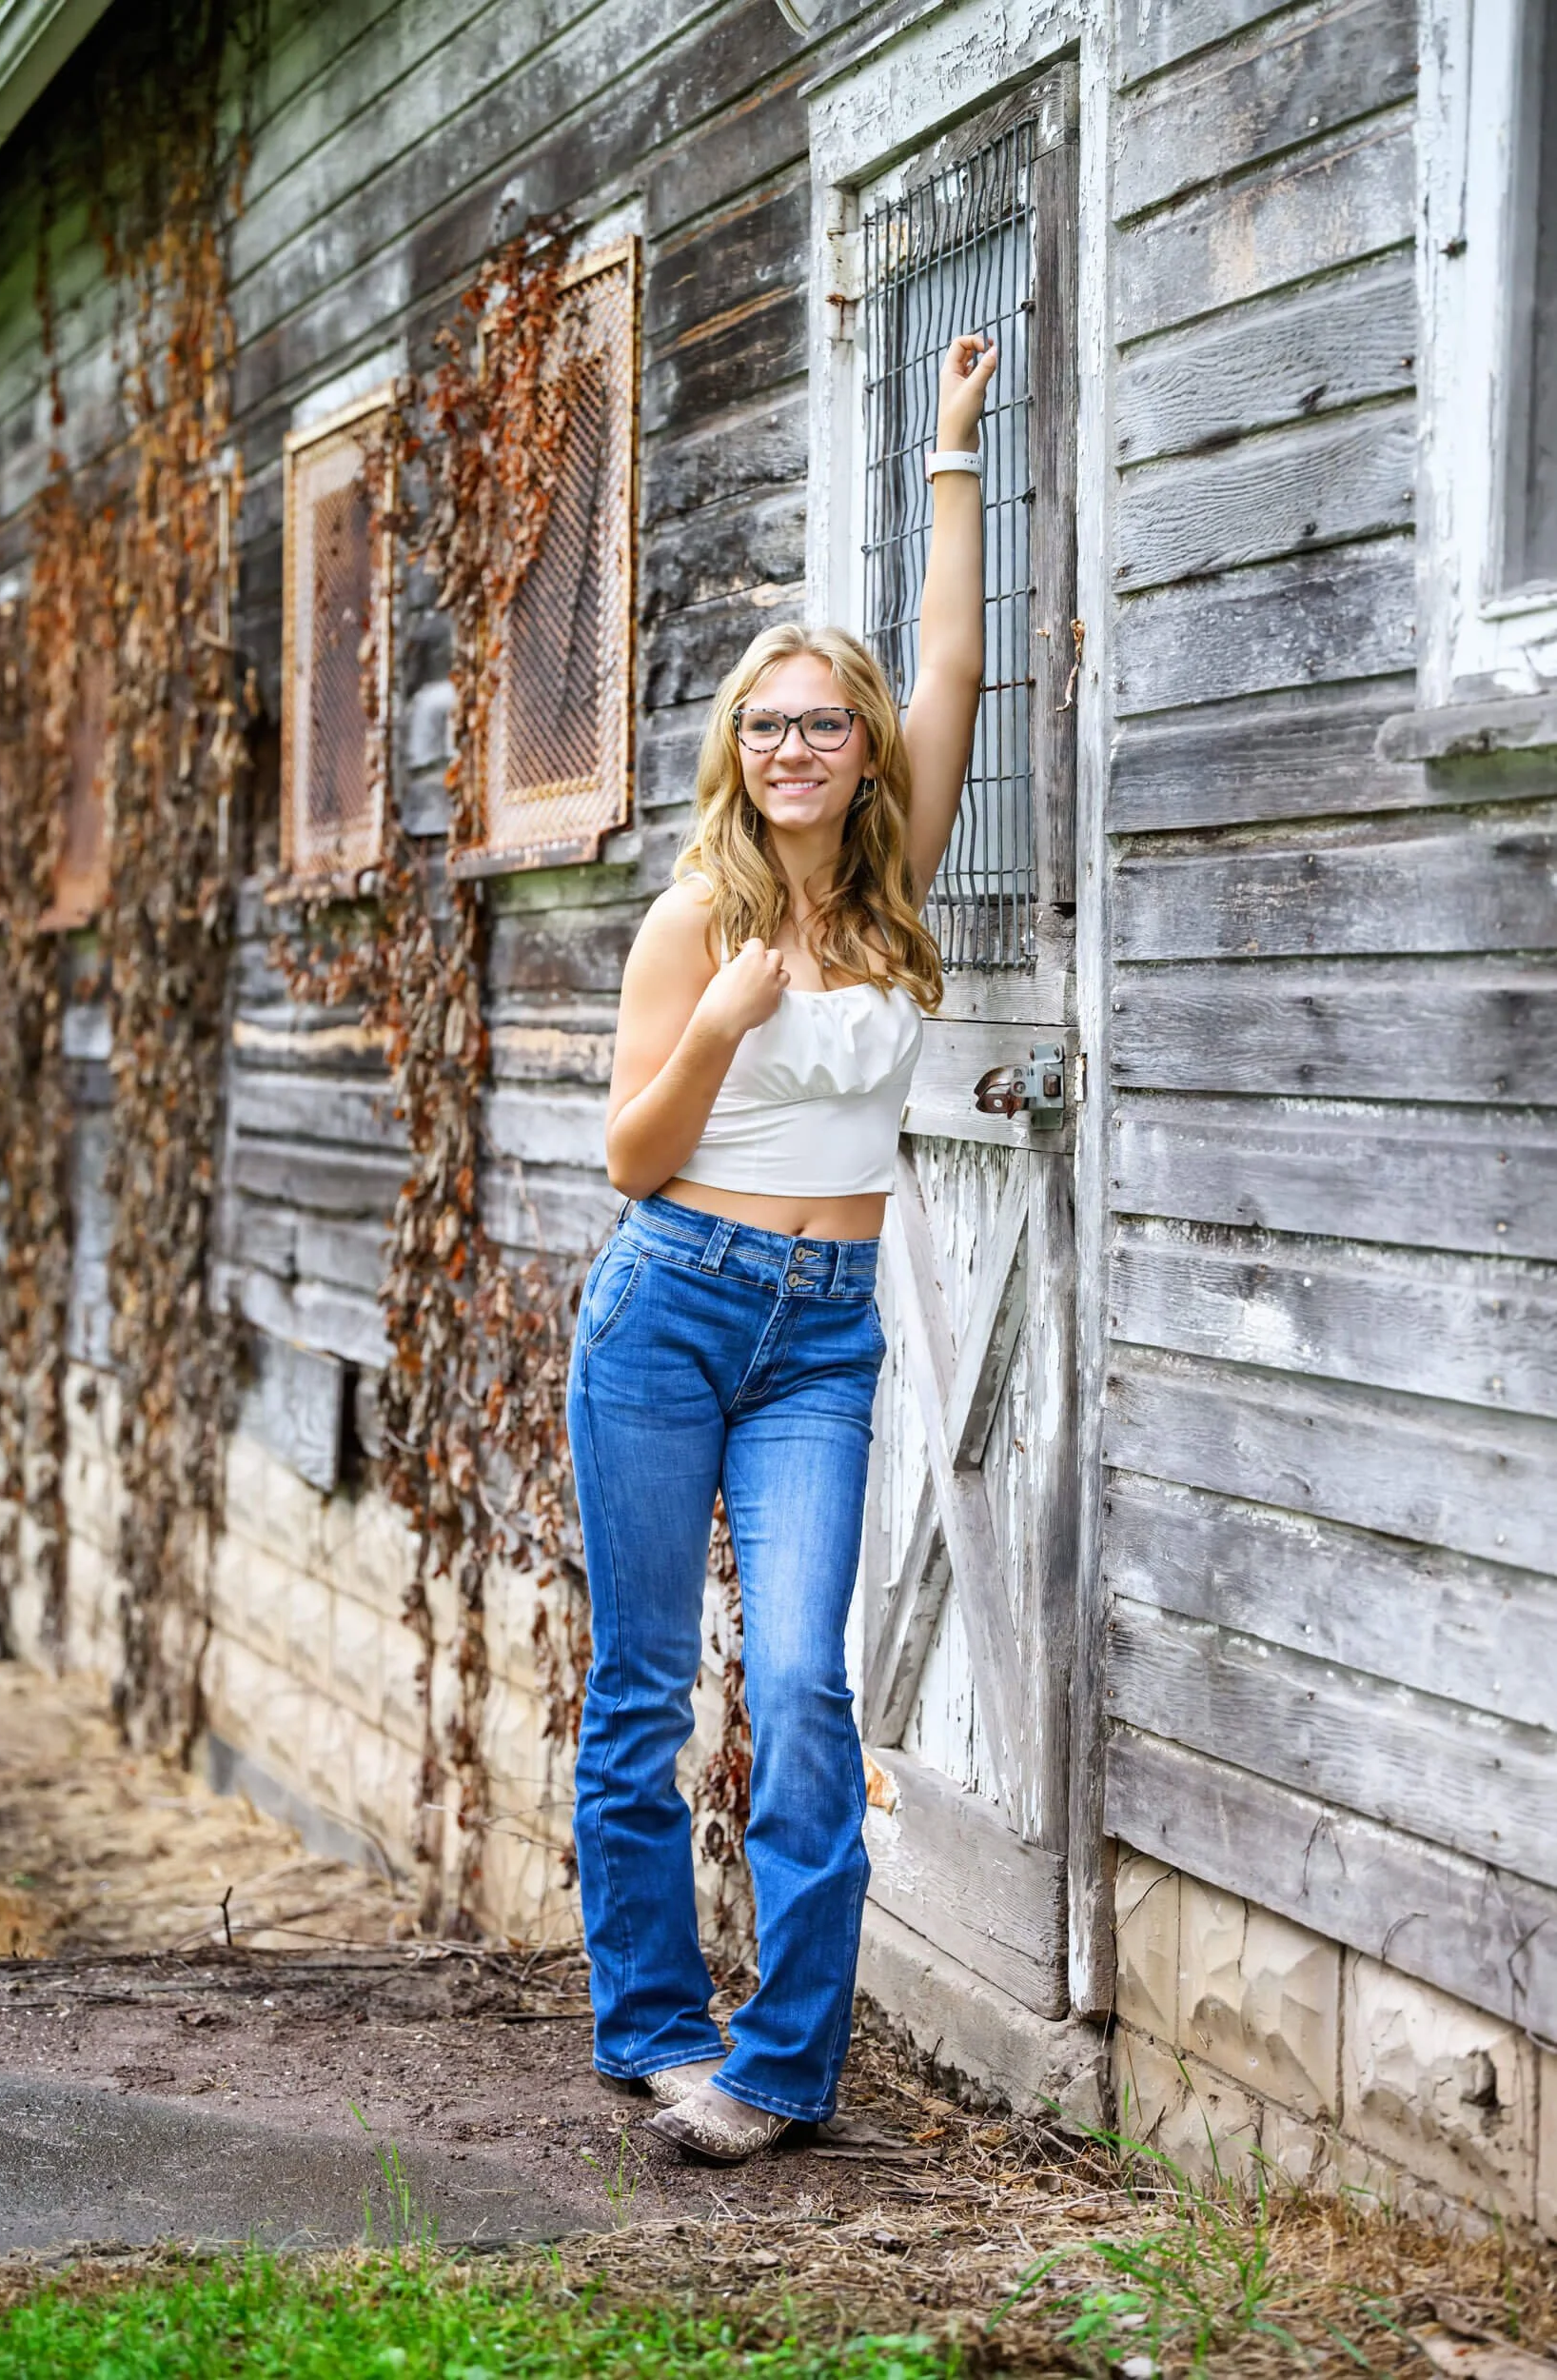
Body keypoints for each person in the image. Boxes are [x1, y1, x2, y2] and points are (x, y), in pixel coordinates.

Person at [566, 333, 996, 2164]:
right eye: (766, 725)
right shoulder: (695, 921)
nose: (797, 746)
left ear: (859, 746)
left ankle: (780, 2064)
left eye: (823, 721)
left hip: (824, 1330)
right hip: (672, 1308)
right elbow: (627, 1156)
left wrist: (952, 459)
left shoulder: (893, 889)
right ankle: (653, 2024)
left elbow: (961, 661)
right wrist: (724, 1025)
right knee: (648, 1682)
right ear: (734, 757)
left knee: (810, 1685)